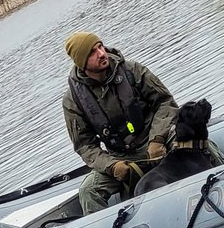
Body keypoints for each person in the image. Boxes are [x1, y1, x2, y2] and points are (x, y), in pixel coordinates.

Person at [62, 32, 179, 214]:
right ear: (82, 62)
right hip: (121, 157)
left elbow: (165, 103)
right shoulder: (73, 101)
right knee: (89, 191)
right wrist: (111, 165)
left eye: (100, 46)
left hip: (155, 141)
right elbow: (85, 145)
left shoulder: (132, 71)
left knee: (196, 143)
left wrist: (157, 138)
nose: (102, 53)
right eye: (93, 52)